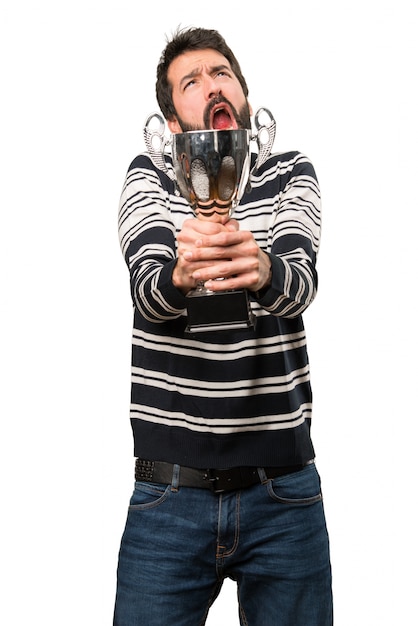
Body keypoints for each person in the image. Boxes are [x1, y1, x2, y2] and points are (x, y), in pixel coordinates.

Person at [113, 26, 333, 626]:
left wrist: (261, 268)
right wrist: (182, 276)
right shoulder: (150, 177)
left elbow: (299, 284)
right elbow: (148, 288)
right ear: (174, 124)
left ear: (242, 94)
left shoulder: (289, 173)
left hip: (283, 492)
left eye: (222, 73)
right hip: (169, 494)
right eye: (191, 81)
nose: (211, 84)